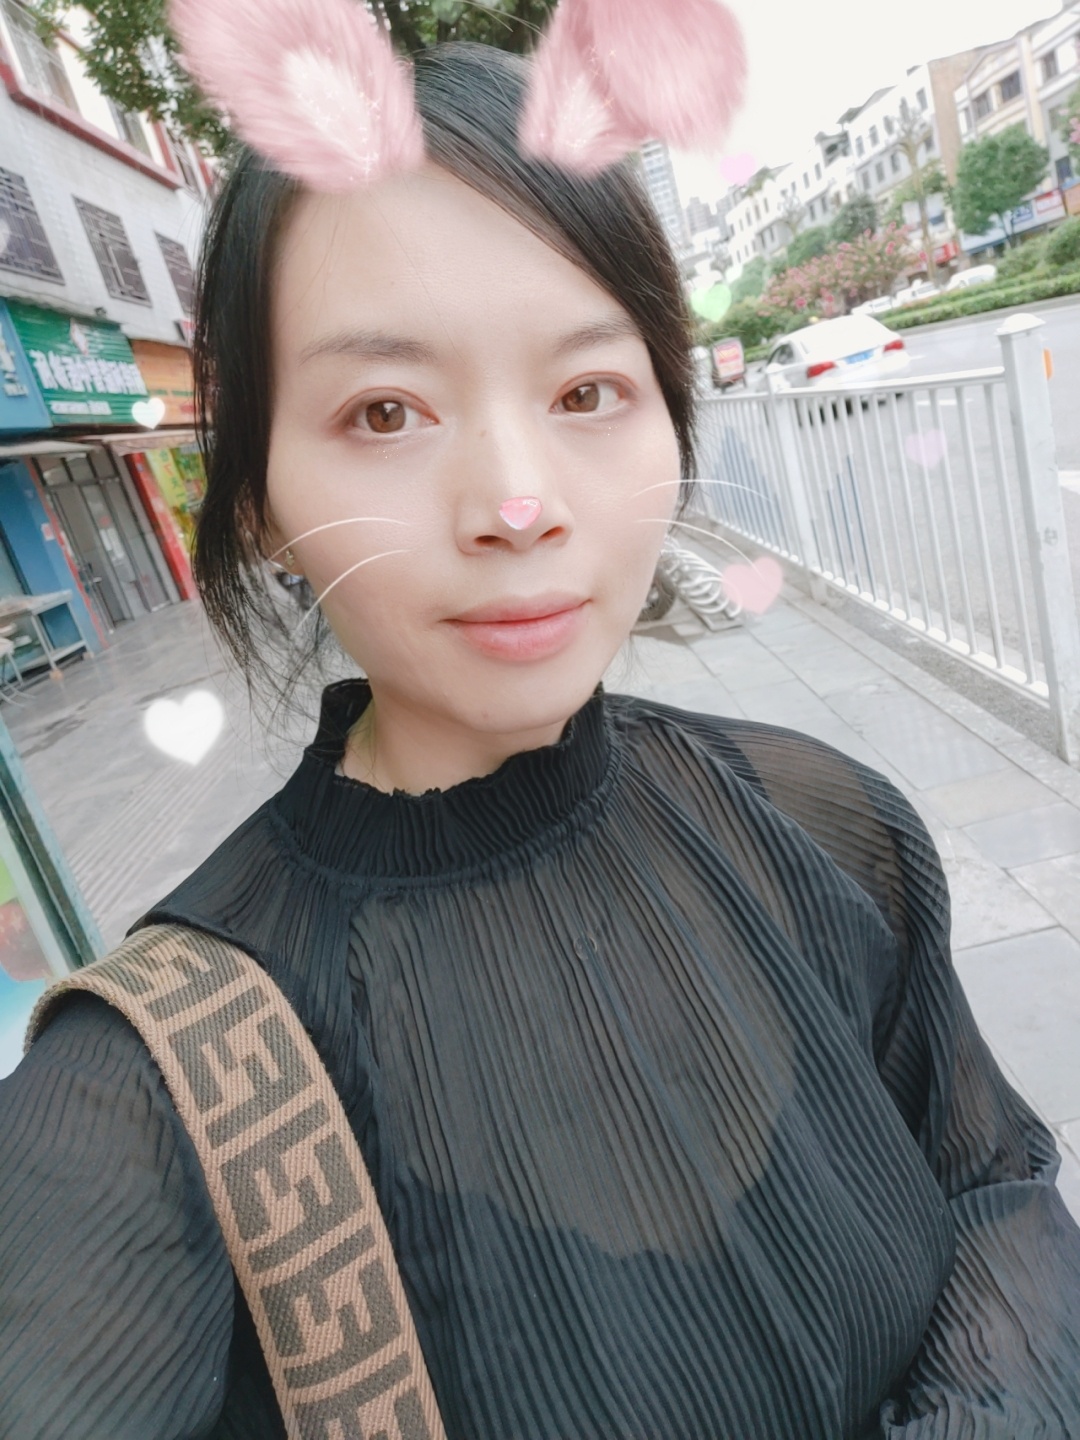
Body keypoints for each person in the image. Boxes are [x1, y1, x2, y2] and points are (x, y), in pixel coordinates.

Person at [2, 33, 1080, 1440]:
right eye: (387, 411)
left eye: (585, 393)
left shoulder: (826, 821)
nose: (518, 505)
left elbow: (995, 1185)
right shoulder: (149, 1102)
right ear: (256, 498)